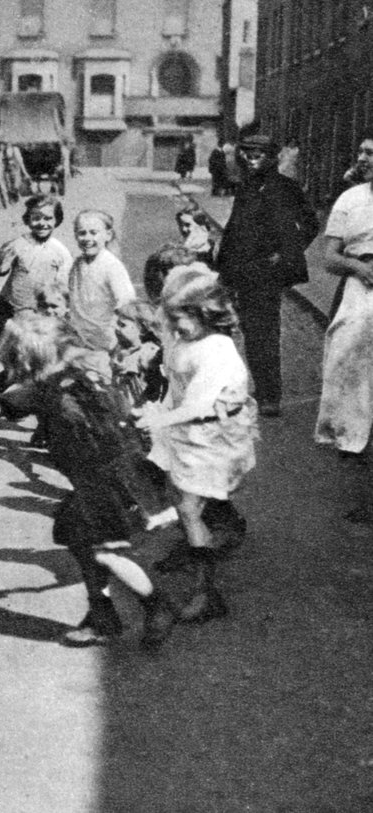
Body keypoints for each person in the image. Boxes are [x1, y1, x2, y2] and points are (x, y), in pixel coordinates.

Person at [0, 313, 173, 649]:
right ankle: (102, 614)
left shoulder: (68, 401)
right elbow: (25, 396)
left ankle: (157, 605)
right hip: (94, 482)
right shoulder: (63, 377)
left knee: (105, 552)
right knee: (81, 540)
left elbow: (110, 446)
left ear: (28, 360)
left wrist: (132, 500)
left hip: (107, 485)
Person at [137, 266, 257, 624]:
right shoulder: (187, 339)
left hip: (210, 437)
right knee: (180, 499)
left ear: (204, 313)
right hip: (188, 433)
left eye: (180, 319)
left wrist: (160, 420)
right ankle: (199, 546)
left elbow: (203, 404)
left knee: (187, 507)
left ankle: (207, 592)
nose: (174, 327)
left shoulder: (217, 349)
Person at [214, 134, 319, 418]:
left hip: (267, 273)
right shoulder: (246, 187)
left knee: (265, 333)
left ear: (271, 157)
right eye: (247, 154)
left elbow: (310, 224)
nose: (251, 159)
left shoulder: (287, 188)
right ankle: (259, 391)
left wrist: (285, 254)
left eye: (258, 154)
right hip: (241, 270)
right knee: (247, 332)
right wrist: (223, 265)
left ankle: (271, 396)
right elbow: (236, 228)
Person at [0, 194, 71, 412]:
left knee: (44, 370)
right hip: (12, 312)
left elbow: (65, 287)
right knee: (16, 369)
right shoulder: (18, 245)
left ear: (56, 221)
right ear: (28, 219)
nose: (42, 223)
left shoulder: (61, 252)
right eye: (36, 218)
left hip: (42, 318)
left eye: (48, 218)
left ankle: (42, 426)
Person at [315, 136, 373, 519]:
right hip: (361, 289)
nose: (362, 157)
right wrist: (359, 267)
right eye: (363, 152)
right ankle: (353, 444)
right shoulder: (351, 200)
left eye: (371, 152)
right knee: (352, 373)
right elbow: (329, 257)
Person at [68, 209, 136, 376]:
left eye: (94, 233)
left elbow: (126, 303)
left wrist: (123, 340)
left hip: (105, 342)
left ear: (108, 235)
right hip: (80, 339)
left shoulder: (111, 266)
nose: (88, 239)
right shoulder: (77, 264)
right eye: (82, 233)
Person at [112, 301, 165, 409]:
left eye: (122, 325)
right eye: (117, 324)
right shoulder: (121, 351)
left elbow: (157, 386)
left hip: (144, 407)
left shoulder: (148, 352)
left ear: (142, 329)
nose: (116, 328)